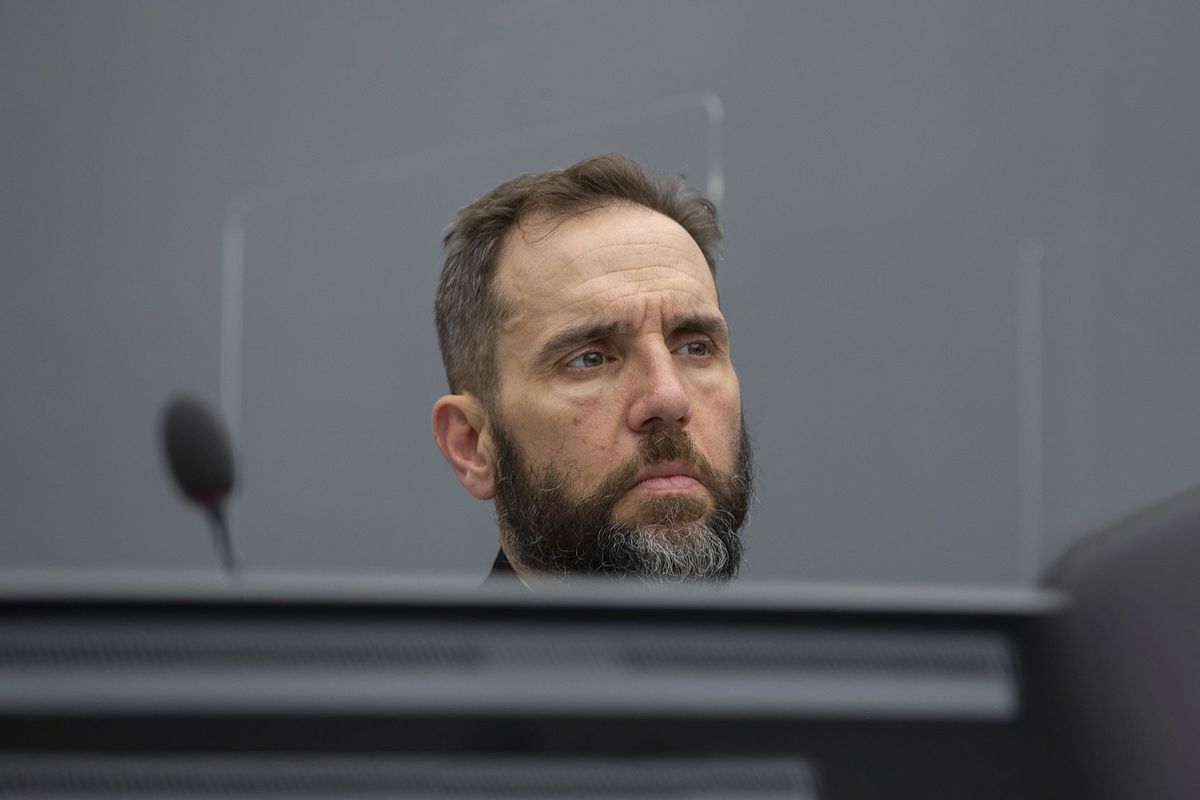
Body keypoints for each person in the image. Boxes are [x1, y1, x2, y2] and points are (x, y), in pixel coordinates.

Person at [431, 154, 753, 586]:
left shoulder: (831, 650)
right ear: (471, 443)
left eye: (695, 347)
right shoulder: (369, 653)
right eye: (590, 359)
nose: (669, 398)